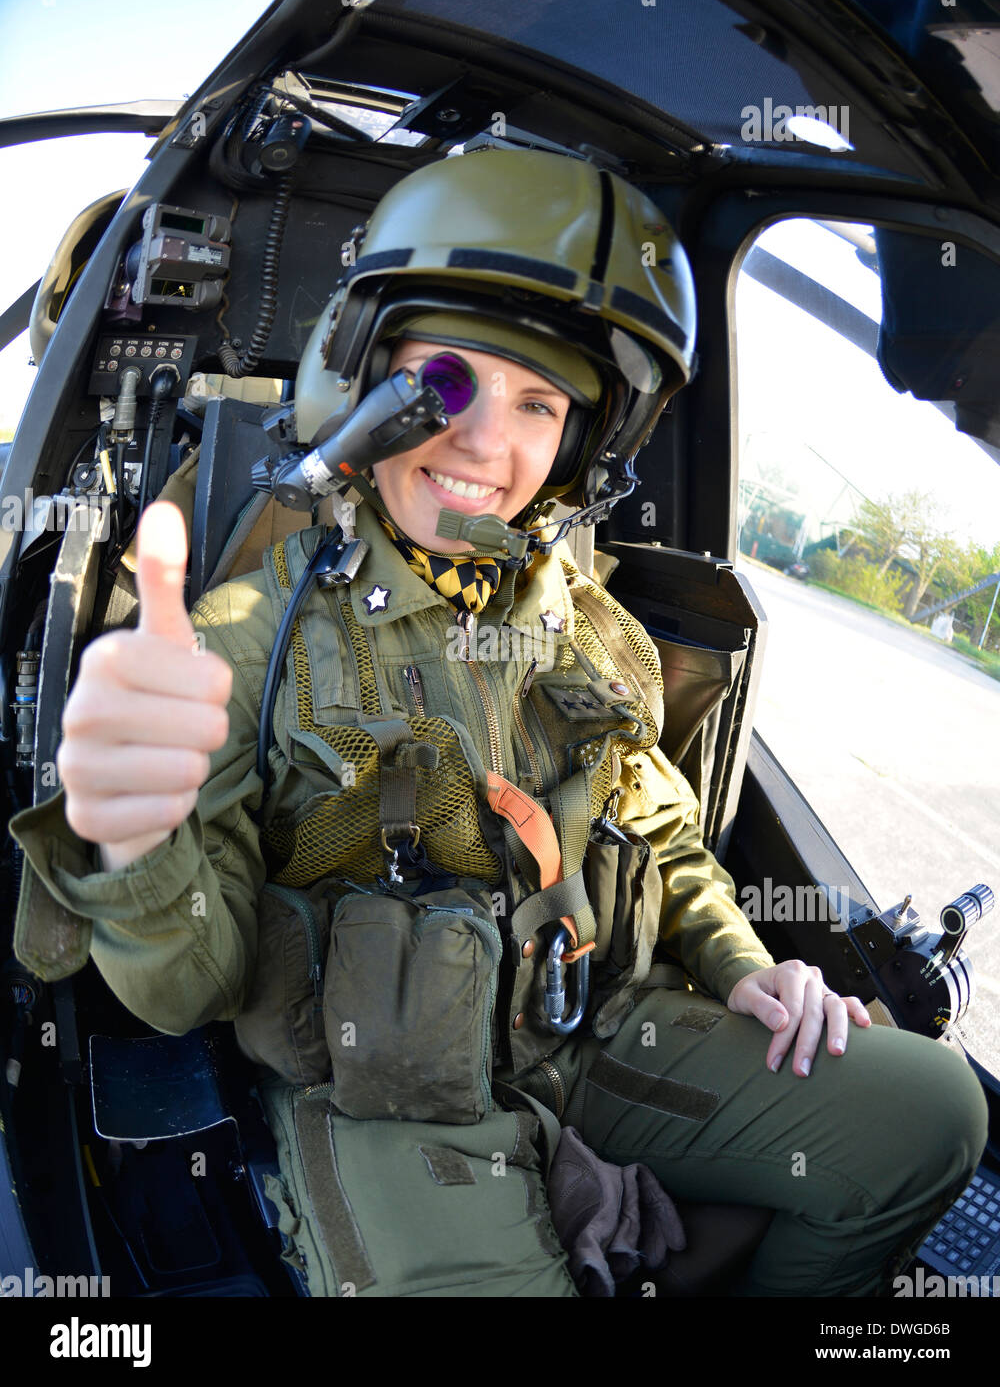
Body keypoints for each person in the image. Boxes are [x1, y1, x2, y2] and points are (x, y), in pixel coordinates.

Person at [9, 148, 987, 1297]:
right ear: (363, 385)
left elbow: (662, 838)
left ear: (578, 443)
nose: (484, 442)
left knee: (930, 1115)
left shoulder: (589, 625)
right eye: (445, 382)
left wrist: (741, 962)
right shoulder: (243, 636)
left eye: (538, 404)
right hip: (383, 1090)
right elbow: (187, 990)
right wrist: (136, 842)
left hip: (597, 1031)